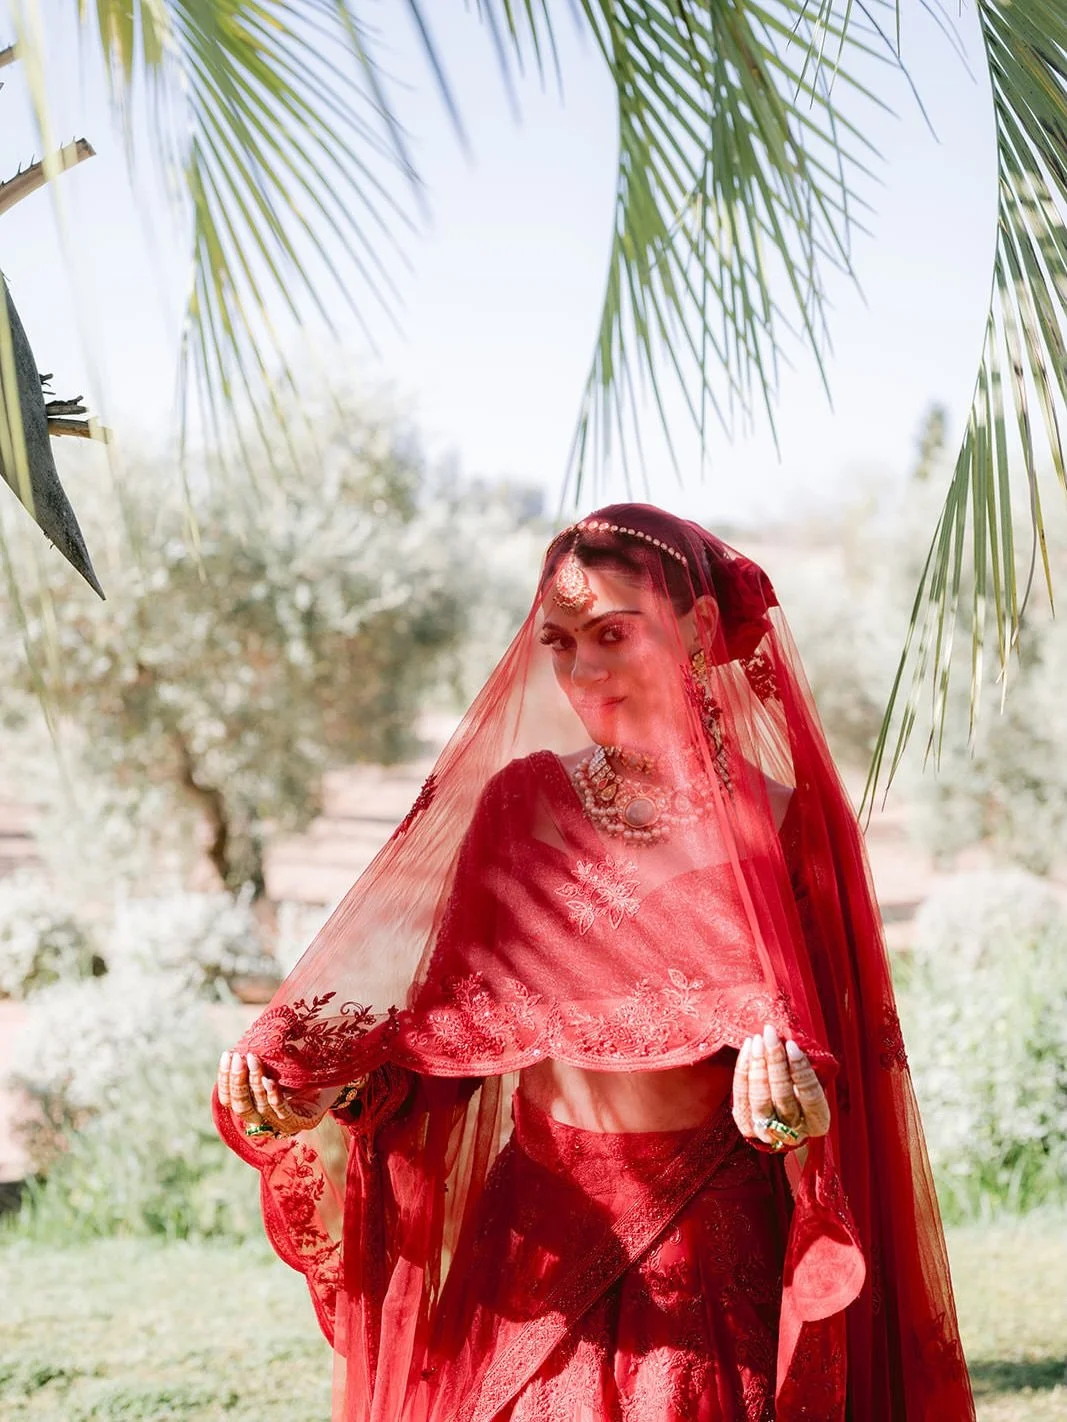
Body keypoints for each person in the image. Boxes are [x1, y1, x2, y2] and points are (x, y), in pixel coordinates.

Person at [214, 505, 975, 1420]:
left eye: (612, 633)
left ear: (699, 628)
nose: (582, 670)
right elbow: (449, 1043)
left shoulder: (785, 827)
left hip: (709, 1262)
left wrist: (797, 1108)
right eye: (561, 643)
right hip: (530, 1250)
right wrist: (328, 1089)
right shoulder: (520, 808)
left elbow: (847, 1081)